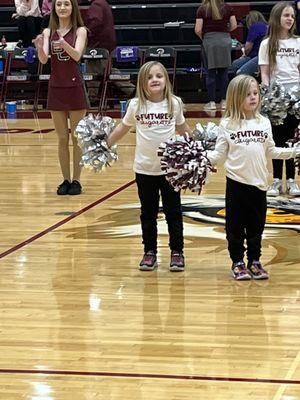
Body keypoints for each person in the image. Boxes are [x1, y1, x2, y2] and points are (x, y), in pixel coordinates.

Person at [207, 75, 300, 281]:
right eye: (247, 94)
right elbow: (219, 156)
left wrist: (294, 151)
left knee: (257, 226)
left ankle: (255, 261)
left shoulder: (264, 122)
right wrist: (197, 157)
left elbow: (271, 150)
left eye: (255, 93)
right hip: (236, 184)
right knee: (235, 227)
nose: (253, 97)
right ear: (235, 97)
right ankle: (237, 261)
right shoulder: (228, 124)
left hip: (259, 184)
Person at [107, 61, 192, 272]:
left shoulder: (175, 103)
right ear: (142, 83)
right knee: (148, 212)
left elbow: (183, 129)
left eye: (159, 76)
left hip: (171, 169)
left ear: (166, 80)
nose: (154, 80)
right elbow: (123, 128)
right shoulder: (136, 105)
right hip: (144, 169)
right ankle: (150, 252)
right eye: (149, 77)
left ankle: (177, 252)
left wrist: (198, 147)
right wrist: (105, 144)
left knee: (174, 211)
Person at [33, 0, 88, 195]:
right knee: (62, 138)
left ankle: (77, 180)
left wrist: (64, 43)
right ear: (54, 9)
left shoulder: (80, 31)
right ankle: (65, 179)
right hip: (56, 88)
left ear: (72, 7)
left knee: (76, 138)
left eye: (66, 4)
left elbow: (77, 56)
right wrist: (40, 46)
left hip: (75, 88)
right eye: (59, 4)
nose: (62, 7)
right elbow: (44, 59)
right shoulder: (48, 32)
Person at [259, 1, 300, 196]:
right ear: (277, 17)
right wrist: (268, 96)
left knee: (292, 139)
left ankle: (291, 180)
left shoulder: (298, 42)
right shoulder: (267, 44)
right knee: (276, 139)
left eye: (292, 16)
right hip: (276, 98)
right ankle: (276, 180)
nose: (290, 19)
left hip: (296, 97)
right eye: (286, 15)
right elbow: (265, 74)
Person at [195, 0, 237, 111]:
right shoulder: (228, 8)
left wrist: (204, 38)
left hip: (209, 41)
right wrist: (224, 32)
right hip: (224, 40)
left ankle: (212, 102)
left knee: (210, 72)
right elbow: (234, 25)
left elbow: (198, 29)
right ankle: (224, 101)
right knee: (224, 72)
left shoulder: (202, 9)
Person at [231, 11, 268, 76]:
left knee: (238, 70)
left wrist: (243, 52)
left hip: (257, 57)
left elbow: (247, 48)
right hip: (265, 56)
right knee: (236, 64)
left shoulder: (254, 26)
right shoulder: (267, 26)